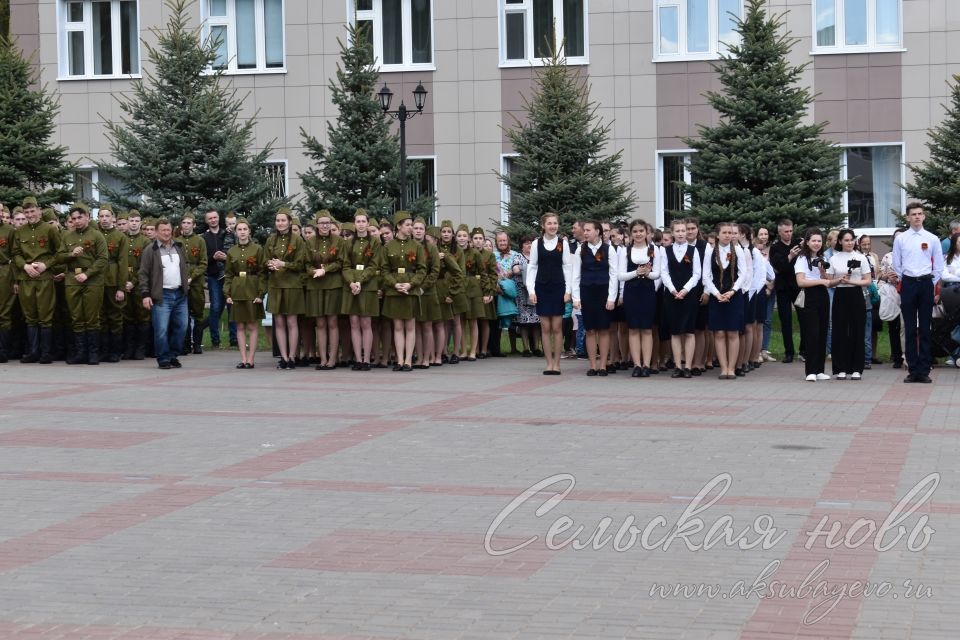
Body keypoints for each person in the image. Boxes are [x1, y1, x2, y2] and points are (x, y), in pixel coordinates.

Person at [893, 203, 946, 383]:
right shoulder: (901, 239)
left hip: (925, 283)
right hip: (908, 284)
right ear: (908, 217)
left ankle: (923, 370)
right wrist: (905, 280)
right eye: (913, 214)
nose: (917, 217)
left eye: (920, 214)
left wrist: (929, 282)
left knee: (924, 328)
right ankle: (912, 369)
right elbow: (897, 264)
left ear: (924, 217)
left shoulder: (932, 239)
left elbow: (938, 265)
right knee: (909, 328)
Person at [12, 196, 61, 364]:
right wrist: (24, 266)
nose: (30, 215)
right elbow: (16, 253)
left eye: (32, 211)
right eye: (27, 212)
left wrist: (46, 266)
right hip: (26, 277)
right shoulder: (20, 231)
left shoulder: (49, 229)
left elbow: (59, 252)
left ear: (39, 211)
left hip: (44, 278)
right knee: (30, 315)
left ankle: (46, 353)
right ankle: (33, 352)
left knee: (45, 315)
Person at [139, 218, 189, 370]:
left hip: (180, 294)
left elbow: (184, 266)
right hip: (162, 295)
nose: (167, 233)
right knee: (161, 329)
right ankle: (163, 358)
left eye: (169, 230)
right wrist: (145, 294)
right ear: (156, 231)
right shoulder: (151, 250)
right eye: (163, 230)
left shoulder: (178, 246)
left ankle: (173, 354)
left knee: (182, 327)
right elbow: (143, 274)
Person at [525, 212, 572, 375]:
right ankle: (548, 363)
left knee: (557, 326)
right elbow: (532, 267)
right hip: (542, 287)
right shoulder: (537, 244)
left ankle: (557, 364)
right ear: (543, 226)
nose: (553, 226)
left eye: (555, 223)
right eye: (549, 223)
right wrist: (531, 290)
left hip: (558, 287)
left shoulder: (562, 244)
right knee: (545, 327)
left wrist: (568, 290)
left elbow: (567, 267)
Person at [572, 220, 618, 376]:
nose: (585, 233)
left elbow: (613, 275)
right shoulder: (580, 250)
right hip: (587, 293)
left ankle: (603, 365)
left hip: (604, 293)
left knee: (604, 330)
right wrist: (576, 298)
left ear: (598, 231)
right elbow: (576, 275)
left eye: (588, 230)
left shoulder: (609, 249)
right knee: (590, 330)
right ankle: (593, 365)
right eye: (584, 230)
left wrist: (612, 298)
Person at [381, 211, 426, 372]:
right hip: (394, 291)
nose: (411, 228)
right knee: (398, 326)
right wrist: (394, 285)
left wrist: (410, 284)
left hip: (410, 291)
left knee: (410, 326)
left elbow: (422, 270)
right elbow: (384, 270)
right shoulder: (388, 246)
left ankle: (408, 361)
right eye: (407, 225)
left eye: (411, 225)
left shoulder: (417, 246)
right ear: (398, 226)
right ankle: (399, 360)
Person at [264, 208, 306, 370]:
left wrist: (283, 264)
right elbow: (265, 260)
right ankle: (283, 356)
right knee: (279, 321)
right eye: (278, 220)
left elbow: (300, 264)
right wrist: (270, 264)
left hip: (292, 285)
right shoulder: (271, 240)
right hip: (275, 284)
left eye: (283, 220)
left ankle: (292, 356)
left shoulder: (297, 240)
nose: (280, 223)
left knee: (292, 321)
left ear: (289, 222)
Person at [827, 229, 871, 380]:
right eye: (846, 240)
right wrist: (839, 280)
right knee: (839, 331)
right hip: (840, 295)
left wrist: (851, 281)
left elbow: (868, 280)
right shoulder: (834, 258)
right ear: (840, 241)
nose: (849, 242)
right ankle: (841, 368)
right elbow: (829, 281)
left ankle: (857, 368)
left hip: (856, 294)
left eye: (852, 239)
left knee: (857, 330)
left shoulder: (861, 258)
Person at [618, 219, 660, 377]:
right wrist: (636, 273)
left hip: (647, 291)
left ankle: (646, 365)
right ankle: (636, 364)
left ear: (646, 232)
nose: (638, 234)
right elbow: (621, 275)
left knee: (647, 330)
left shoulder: (654, 249)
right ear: (631, 233)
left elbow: (658, 273)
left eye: (641, 231)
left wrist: (648, 273)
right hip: (631, 292)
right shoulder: (625, 251)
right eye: (635, 231)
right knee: (634, 329)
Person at [304, 211, 345, 371]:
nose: (325, 225)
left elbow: (341, 262)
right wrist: (313, 272)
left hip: (333, 284)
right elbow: (306, 263)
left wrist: (325, 270)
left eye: (327, 222)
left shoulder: (338, 241)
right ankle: (322, 358)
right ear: (317, 224)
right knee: (320, 323)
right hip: (315, 285)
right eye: (321, 223)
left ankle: (333, 359)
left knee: (333, 322)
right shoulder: (310, 241)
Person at [661, 219, 701, 378]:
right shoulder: (665, 250)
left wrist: (685, 290)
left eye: (683, 231)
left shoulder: (693, 250)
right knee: (675, 331)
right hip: (671, 295)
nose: (681, 234)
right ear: (672, 233)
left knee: (689, 331)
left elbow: (697, 274)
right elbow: (664, 272)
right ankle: (678, 365)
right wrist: (672, 289)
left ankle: (688, 366)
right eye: (677, 231)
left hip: (689, 295)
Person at [342, 209, 381, 371]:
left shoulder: (375, 243)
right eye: (358, 221)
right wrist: (352, 282)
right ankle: (357, 359)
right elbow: (345, 265)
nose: (361, 224)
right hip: (351, 287)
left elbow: (374, 265)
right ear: (354, 223)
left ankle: (366, 359)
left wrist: (360, 281)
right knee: (354, 323)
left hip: (367, 286)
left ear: (368, 222)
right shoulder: (348, 242)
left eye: (363, 221)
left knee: (366, 323)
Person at [224, 218, 265, 369]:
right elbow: (228, 274)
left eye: (245, 229)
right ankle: (243, 358)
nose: (242, 232)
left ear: (249, 231)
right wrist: (227, 294)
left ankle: (251, 359)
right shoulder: (231, 251)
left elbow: (262, 272)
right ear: (235, 232)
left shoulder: (257, 249)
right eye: (239, 229)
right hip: (237, 288)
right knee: (239, 325)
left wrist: (260, 293)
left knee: (252, 325)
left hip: (252, 287)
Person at [794, 228, 832, 382]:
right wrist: (822, 281)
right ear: (807, 242)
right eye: (813, 241)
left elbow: (827, 279)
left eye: (819, 241)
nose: (816, 243)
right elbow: (800, 281)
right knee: (812, 333)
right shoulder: (802, 259)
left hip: (823, 295)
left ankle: (819, 370)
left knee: (823, 332)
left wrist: (823, 274)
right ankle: (810, 370)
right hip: (809, 296)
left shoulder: (822, 258)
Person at [95, 204, 128, 363]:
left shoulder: (120, 237)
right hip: (96, 279)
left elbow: (123, 263)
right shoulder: (94, 234)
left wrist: (121, 287)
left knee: (115, 316)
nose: (104, 219)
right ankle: (103, 350)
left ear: (113, 218)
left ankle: (115, 351)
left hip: (113, 280)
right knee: (100, 316)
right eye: (101, 216)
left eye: (107, 216)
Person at [769, 219, 803, 362]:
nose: (789, 234)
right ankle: (789, 352)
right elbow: (779, 268)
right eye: (786, 232)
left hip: (798, 286)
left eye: (790, 231)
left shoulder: (798, 243)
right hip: (783, 288)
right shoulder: (775, 247)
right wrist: (790, 256)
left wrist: (804, 244)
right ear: (779, 232)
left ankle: (804, 350)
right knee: (786, 320)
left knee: (803, 318)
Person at [175, 211, 208, 355]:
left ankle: (197, 343)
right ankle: (186, 344)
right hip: (180, 280)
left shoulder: (200, 241)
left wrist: (192, 276)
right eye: (184, 223)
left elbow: (203, 262)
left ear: (194, 225)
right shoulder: (176, 241)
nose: (186, 225)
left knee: (198, 312)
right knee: (184, 313)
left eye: (189, 223)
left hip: (196, 282)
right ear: (181, 225)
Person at [122, 210, 152, 360]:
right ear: (127, 222)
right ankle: (129, 348)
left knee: (142, 316)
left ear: (140, 223)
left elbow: (144, 266)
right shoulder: (122, 239)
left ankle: (141, 349)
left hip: (139, 283)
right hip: (123, 281)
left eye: (136, 221)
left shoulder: (145, 241)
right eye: (131, 220)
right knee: (127, 316)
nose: (133, 223)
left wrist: (133, 282)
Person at [201, 208, 228, 348]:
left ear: (219, 218)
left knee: (231, 307)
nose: (213, 220)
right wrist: (213, 257)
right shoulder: (204, 238)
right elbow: (203, 259)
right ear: (207, 221)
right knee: (216, 307)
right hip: (213, 276)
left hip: (228, 275)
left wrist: (226, 257)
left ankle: (234, 339)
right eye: (210, 218)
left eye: (215, 217)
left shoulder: (227, 234)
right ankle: (215, 340)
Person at [879, 228, 905, 369]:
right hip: (892, 294)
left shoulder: (911, 255)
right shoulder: (888, 256)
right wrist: (887, 277)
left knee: (907, 326)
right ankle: (896, 357)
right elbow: (880, 275)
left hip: (907, 292)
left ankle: (908, 354)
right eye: (897, 238)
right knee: (893, 326)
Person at [857, 234, 882, 368]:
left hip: (874, 290)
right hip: (863, 290)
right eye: (864, 244)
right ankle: (863, 355)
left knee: (874, 324)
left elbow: (877, 272)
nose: (866, 247)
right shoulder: (857, 256)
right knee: (864, 324)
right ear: (859, 244)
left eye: (868, 244)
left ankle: (873, 354)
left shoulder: (874, 256)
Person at [514, 235, 541, 357]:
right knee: (523, 323)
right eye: (526, 243)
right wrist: (525, 267)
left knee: (536, 322)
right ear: (522, 246)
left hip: (536, 293)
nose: (529, 245)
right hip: (522, 294)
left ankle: (537, 347)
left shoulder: (538, 257)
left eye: (531, 243)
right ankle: (526, 348)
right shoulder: (518, 257)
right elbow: (515, 270)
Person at [941, 233, 960, 367]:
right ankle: (954, 354)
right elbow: (944, 276)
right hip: (952, 294)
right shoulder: (947, 258)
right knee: (952, 322)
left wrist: (954, 274)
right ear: (954, 244)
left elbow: (950, 275)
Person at [0, 204, 15, 362]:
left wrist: (15, 279)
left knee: (4, 312)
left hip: (4, 271)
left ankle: (3, 350)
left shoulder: (9, 231)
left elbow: (15, 255)